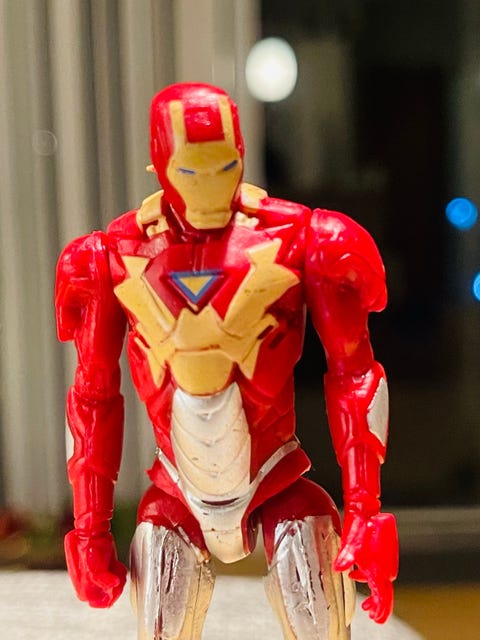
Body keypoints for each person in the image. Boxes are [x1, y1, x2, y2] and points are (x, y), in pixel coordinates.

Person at [55, 82, 398, 640]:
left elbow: (355, 376)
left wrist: (366, 509)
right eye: (191, 171)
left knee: (316, 611)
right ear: (161, 165)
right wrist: (89, 530)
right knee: (162, 620)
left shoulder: (303, 238)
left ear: (241, 155)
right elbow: (92, 396)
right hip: (175, 490)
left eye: (225, 167)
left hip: (276, 478)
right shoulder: (112, 255)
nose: (210, 188)